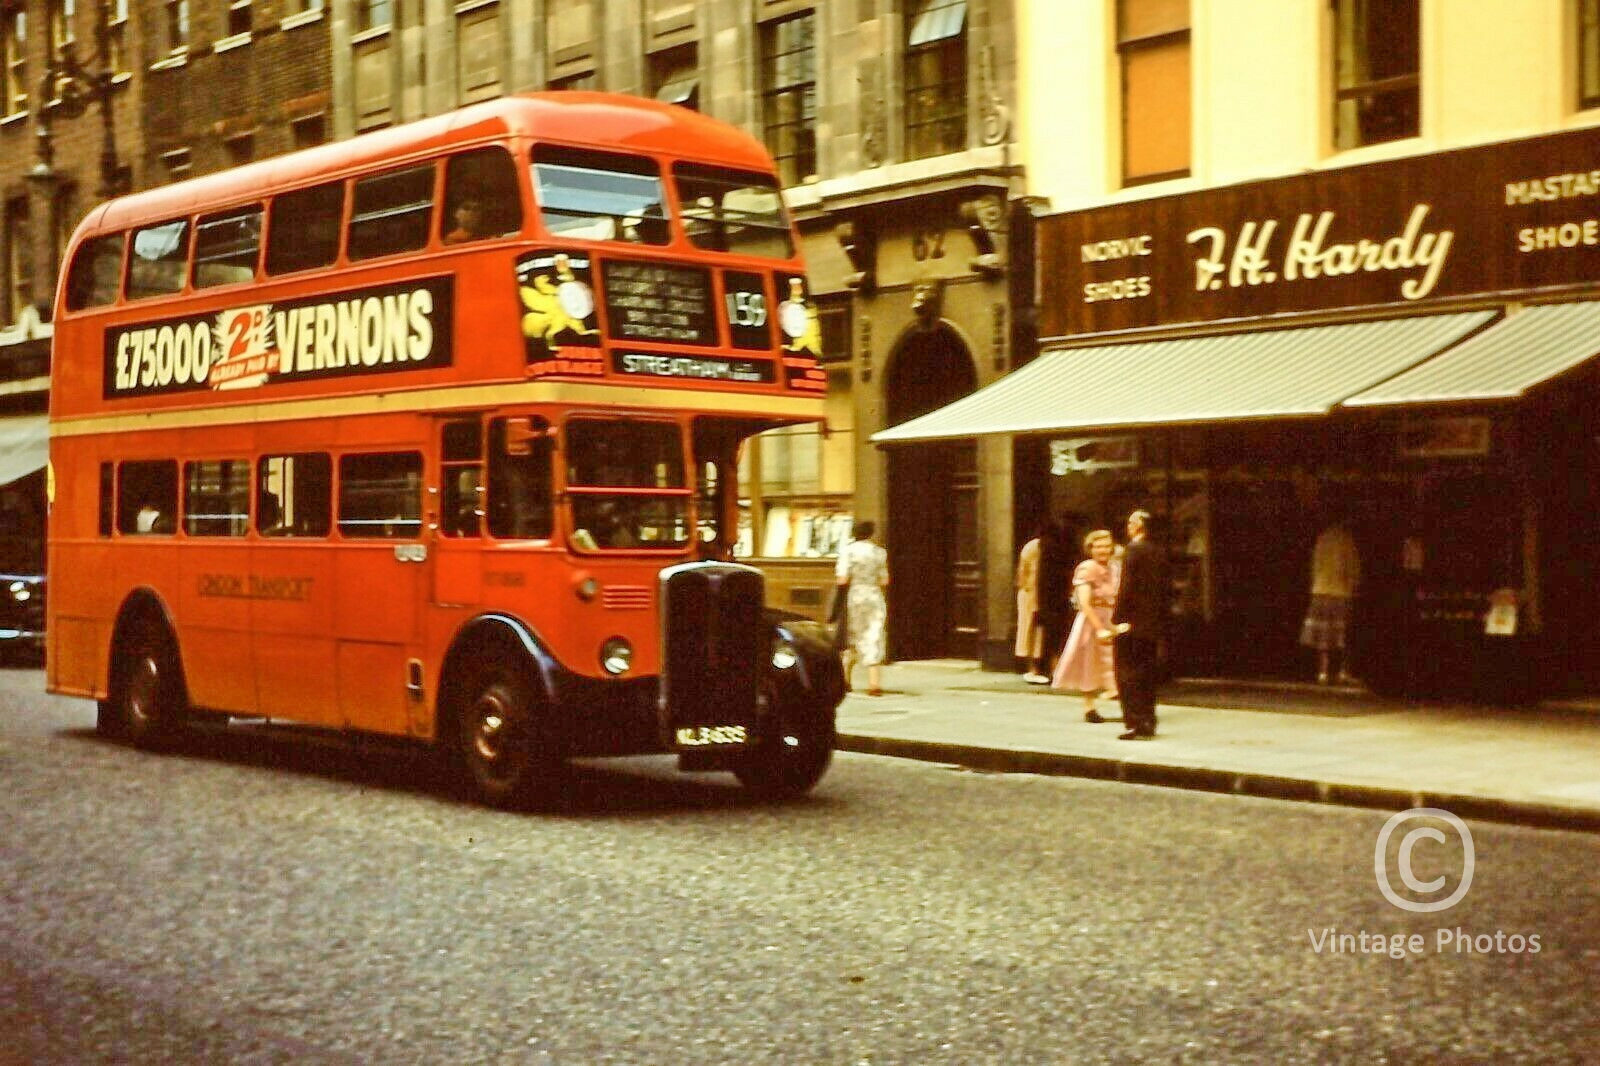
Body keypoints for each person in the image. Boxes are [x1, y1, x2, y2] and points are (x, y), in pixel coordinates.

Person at [1050, 529, 1120, 722]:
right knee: (1090, 661)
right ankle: (1089, 707)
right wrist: (1099, 628)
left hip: (1111, 617)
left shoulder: (1115, 568)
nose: (1103, 550)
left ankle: (1115, 694)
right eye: (1098, 547)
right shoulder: (1086, 568)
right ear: (1090, 549)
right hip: (1092, 620)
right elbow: (1084, 603)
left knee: (1114, 661)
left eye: (1106, 546)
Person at [1111, 509, 1169, 740]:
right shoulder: (1159, 551)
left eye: (1131, 522)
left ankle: (1133, 721)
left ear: (1138, 527)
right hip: (1151, 623)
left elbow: (1127, 587)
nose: (1127, 525)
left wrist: (1117, 618)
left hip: (1132, 622)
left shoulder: (1133, 551)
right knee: (1147, 673)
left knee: (1127, 673)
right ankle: (1148, 720)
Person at [1300, 517, 1361, 685]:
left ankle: (1323, 672)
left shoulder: (1321, 539)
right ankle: (1343, 671)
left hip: (1320, 591)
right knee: (1343, 634)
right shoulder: (1347, 541)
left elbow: (1314, 566)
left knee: (1323, 636)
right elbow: (1353, 569)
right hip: (1340, 592)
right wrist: (1354, 587)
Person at [835, 520, 889, 697]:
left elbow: (842, 579)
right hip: (874, 596)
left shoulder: (848, 551)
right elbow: (884, 580)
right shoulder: (880, 553)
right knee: (873, 634)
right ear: (871, 533)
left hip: (855, 596)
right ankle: (874, 682)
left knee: (852, 635)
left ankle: (845, 679)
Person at [1014, 525, 1048, 683]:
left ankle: (1036, 667)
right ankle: (1032, 668)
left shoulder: (1040, 546)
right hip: (1030, 592)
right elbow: (1023, 572)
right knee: (1029, 628)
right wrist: (1026, 589)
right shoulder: (1033, 547)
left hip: (1036, 592)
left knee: (1036, 631)